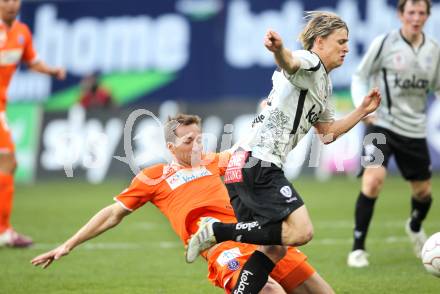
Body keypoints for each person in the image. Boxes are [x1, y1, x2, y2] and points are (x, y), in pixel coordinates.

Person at [186, 12, 381, 294]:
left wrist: (362, 111)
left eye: (347, 42)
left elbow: (326, 133)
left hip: (240, 164)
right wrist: (279, 50)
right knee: (302, 231)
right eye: (341, 41)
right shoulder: (311, 62)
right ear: (320, 41)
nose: (346, 48)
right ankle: (218, 231)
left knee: (273, 249)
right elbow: (291, 62)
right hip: (259, 161)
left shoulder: (323, 84)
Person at [31, 114, 334, 293]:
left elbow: (255, 148)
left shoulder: (219, 161)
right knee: (269, 291)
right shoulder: (155, 176)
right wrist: (67, 245)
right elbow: (112, 214)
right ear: (170, 147)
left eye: (199, 138)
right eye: (189, 141)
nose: (197, 145)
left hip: (257, 235)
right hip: (222, 248)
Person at [347, 0, 439, 268]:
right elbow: (359, 76)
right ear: (401, 15)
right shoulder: (384, 43)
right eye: (411, 12)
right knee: (373, 181)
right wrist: (362, 108)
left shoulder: (434, 51)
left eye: (421, 13)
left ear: (427, 16)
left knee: (423, 193)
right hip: (381, 123)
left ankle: (414, 225)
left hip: (415, 129)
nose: (416, 17)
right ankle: (358, 249)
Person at [0, 0, 65, 247]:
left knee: (8, 161)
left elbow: (32, 60)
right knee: (7, 160)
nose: (11, 5)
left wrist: (51, 71)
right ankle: (3, 231)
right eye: (5, 0)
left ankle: (4, 230)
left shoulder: (21, 33)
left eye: (15, 0)